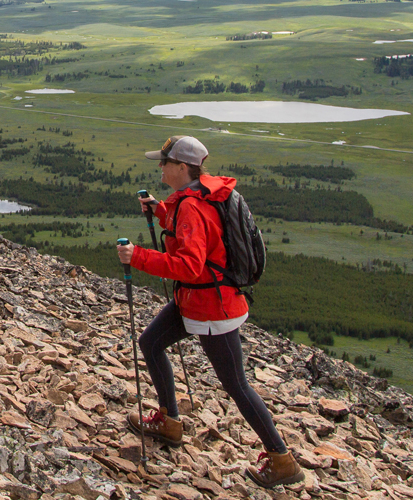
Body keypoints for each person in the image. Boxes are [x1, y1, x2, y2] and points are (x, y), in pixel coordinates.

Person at [115, 135, 302, 488]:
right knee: (151, 343)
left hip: (212, 308)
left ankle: (282, 459)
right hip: (197, 301)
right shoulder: (204, 193)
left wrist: (137, 256)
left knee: (236, 384)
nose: (160, 167)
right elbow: (197, 228)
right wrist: (159, 209)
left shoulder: (192, 206)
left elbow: (188, 263)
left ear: (182, 168)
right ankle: (169, 422)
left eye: (165, 162)